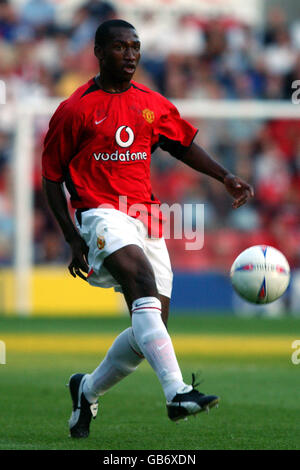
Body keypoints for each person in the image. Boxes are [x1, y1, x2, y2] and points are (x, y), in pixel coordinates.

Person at [42, 19, 254, 438]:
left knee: (150, 328)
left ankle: (86, 389)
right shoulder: (74, 109)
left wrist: (225, 176)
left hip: (147, 216)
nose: (131, 54)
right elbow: (51, 176)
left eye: (136, 47)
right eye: (121, 47)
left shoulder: (151, 103)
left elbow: (182, 143)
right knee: (140, 280)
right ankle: (177, 393)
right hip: (99, 213)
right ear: (99, 53)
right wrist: (71, 236)